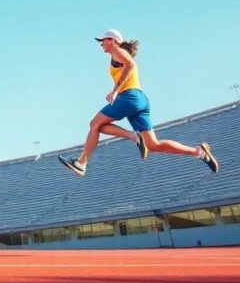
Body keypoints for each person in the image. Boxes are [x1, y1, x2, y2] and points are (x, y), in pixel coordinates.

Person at [58, 29, 219, 176]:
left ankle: (82, 162)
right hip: (140, 100)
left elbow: (131, 64)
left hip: (129, 97)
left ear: (112, 41)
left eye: (103, 40)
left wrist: (115, 90)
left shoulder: (117, 51)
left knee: (94, 124)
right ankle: (199, 152)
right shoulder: (117, 54)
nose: (101, 43)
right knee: (153, 144)